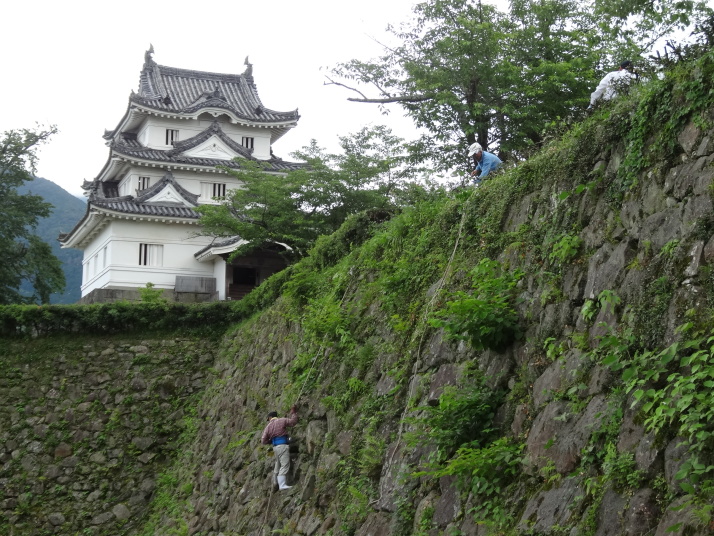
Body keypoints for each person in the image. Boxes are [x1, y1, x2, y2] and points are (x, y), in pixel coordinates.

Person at [261, 405, 298, 490]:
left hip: (275, 448)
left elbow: (263, 440)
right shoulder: (282, 420)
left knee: (278, 463)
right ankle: (282, 485)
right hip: (283, 446)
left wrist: (271, 441)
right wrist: (293, 412)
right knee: (285, 464)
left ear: (270, 417)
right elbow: (293, 422)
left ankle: (275, 481)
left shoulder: (268, 427)